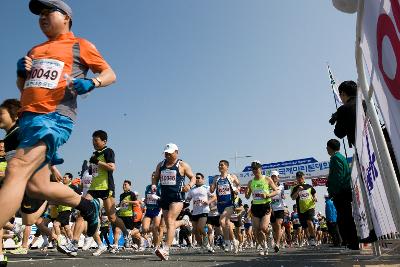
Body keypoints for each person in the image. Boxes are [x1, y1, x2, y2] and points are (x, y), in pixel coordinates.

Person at [0, 0, 117, 242]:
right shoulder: (34, 50)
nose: (42, 18)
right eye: (38, 15)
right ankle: (87, 206)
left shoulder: (79, 45)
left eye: (47, 12)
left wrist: (92, 83)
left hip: (54, 117)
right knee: (36, 187)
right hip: (28, 119)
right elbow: (24, 89)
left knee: (16, 168)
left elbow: (109, 74)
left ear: (66, 17)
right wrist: (21, 74)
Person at [152, 143, 196, 261]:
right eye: (166, 154)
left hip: (177, 197)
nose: (168, 156)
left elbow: (193, 177)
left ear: (176, 152)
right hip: (164, 197)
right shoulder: (160, 165)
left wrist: (189, 185)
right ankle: (183, 221)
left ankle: (166, 250)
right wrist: (154, 185)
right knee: (168, 224)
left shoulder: (182, 165)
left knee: (170, 222)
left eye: (170, 154)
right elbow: (155, 177)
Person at [326, 139, 359, 250]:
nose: (326, 149)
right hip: (342, 192)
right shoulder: (340, 157)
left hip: (341, 193)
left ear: (330, 147)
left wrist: (333, 190)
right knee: (344, 218)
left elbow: (338, 176)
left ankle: (352, 243)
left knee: (345, 218)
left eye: (327, 147)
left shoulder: (336, 158)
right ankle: (350, 242)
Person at [245, 161, 278, 256]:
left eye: (256, 168)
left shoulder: (267, 179)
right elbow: (247, 196)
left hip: (265, 205)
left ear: (260, 169)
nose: (255, 170)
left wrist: (267, 195)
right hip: (255, 206)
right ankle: (264, 247)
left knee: (263, 227)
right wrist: (246, 193)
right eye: (253, 169)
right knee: (256, 230)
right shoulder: (250, 182)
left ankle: (270, 235)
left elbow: (276, 191)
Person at [210, 160, 241, 252]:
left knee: (222, 221)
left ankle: (227, 242)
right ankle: (234, 241)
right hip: (220, 204)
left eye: (222, 165)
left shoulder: (231, 177)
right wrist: (212, 185)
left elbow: (239, 185)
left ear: (227, 167)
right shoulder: (216, 178)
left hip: (229, 203)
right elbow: (212, 190)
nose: (220, 166)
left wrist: (236, 190)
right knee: (226, 224)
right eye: (219, 165)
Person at [185, 172, 215, 252]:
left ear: (202, 179)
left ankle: (207, 243)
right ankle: (202, 246)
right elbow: (188, 199)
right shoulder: (192, 189)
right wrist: (184, 204)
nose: (197, 179)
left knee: (200, 227)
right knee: (195, 231)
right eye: (196, 178)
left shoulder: (206, 187)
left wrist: (208, 202)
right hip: (195, 212)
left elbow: (214, 197)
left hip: (204, 210)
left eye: (198, 178)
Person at [290, 171, 317, 246]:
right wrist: (298, 191)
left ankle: (313, 237)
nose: (300, 179)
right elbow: (293, 197)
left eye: (301, 177)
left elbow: (314, 192)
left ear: (303, 177)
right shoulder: (295, 188)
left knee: (309, 221)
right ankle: (309, 239)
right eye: (298, 177)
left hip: (310, 207)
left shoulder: (309, 186)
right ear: (296, 178)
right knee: (304, 226)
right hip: (301, 209)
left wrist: (315, 197)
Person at [329, 80, 357, 147]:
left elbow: (339, 134)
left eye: (340, 94)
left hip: (364, 149)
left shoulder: (343, 109)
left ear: (343, 93)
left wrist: (337, 117)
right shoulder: (369, 103)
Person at [142, 179, 162, 249]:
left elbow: (163, 198)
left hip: (157, 210)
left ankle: (156, 246)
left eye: (155, 177)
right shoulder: (148, 187)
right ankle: (150, 237)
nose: (154, 178)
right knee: (144, 229)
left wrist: (157, 197)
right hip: (149, 210)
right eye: (152, 177)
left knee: (155, 228)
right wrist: (145, 201)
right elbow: (147, 198)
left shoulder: (160, 187)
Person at [270, 170, 286, 252]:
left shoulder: (282, 187)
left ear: (278, 177)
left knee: (278, 224)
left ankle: (277, 243)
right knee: (274, 228)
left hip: (280, 208)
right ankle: (279, 235)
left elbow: (283, 196)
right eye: (272, 176)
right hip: (271, 209)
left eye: (275, 176)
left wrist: (283, 196)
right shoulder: (268, 187)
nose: (274, 178)